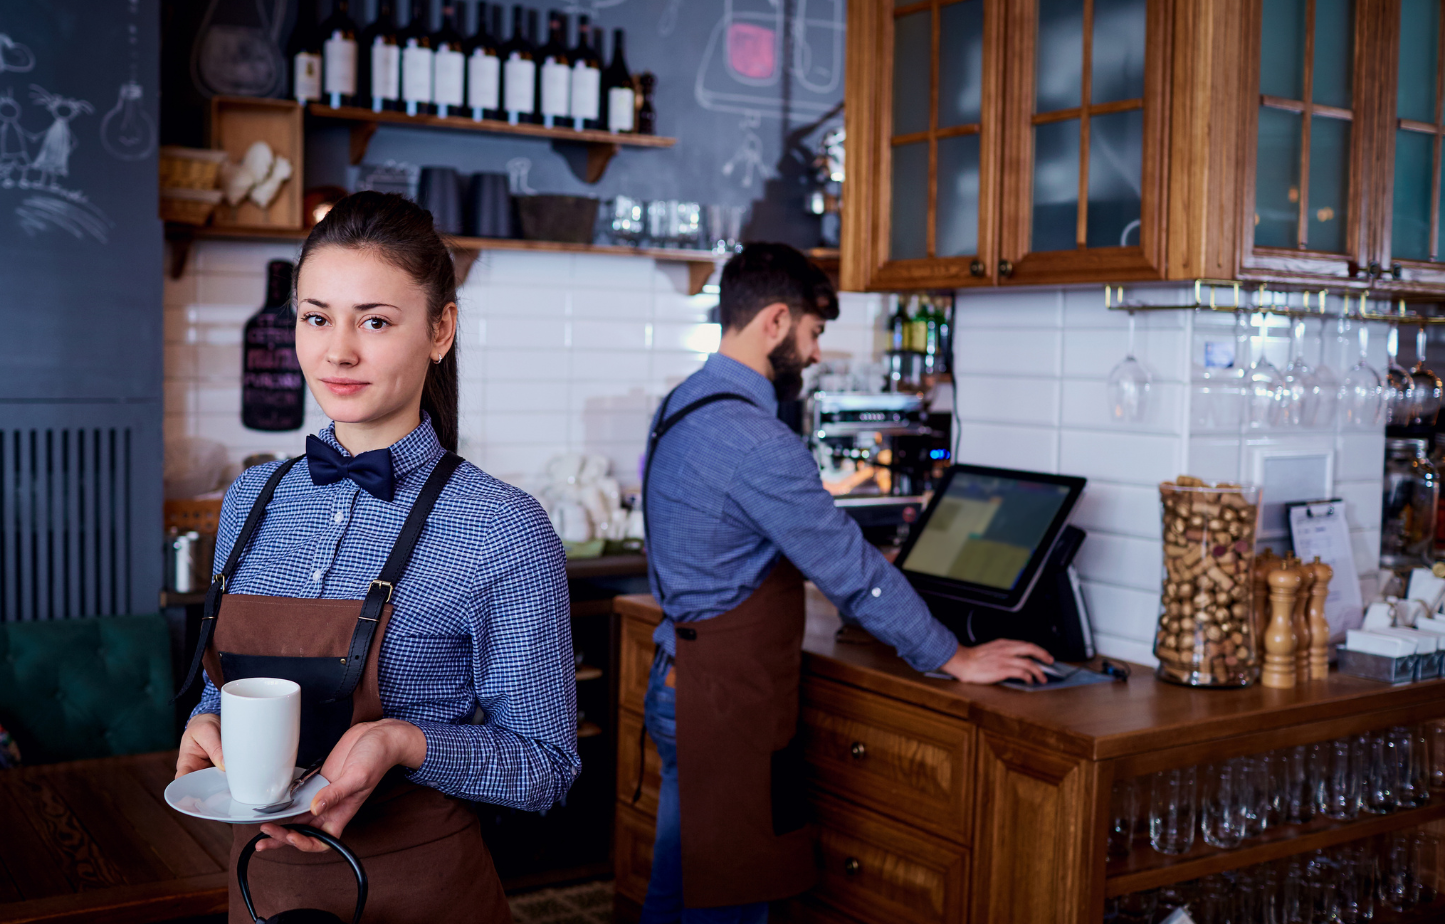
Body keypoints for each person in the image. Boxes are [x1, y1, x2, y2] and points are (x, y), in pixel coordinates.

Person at [172, 191, 579, 924]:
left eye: (376, 321)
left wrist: (402, 741)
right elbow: (223, 692)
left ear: (440, 329)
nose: (338, 351)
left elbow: (546, 766)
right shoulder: (250, 499)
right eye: (317, 317)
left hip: (421, 894)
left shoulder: (501, 528)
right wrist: (207, 726)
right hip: (260, 896)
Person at [638, 243, 1053, 923]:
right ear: (775, 321)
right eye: (814, 332)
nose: (817, 353)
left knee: (681, 886)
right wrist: (953, 656)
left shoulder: (682, 402)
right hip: (724, 700)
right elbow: (850, 574)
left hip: (681, 676)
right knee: (731, 903)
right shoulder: (757, 441)